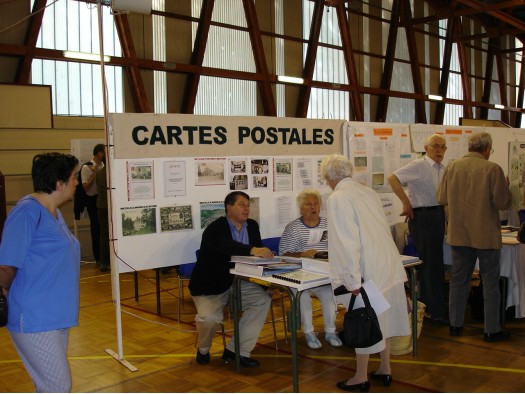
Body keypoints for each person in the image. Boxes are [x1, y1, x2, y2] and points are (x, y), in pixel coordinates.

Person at [320, 154, 409, 392]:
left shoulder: (338, 198)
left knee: (364, 322)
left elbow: (346, 242)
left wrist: (351, 279)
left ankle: (360, 377)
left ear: (329, 177)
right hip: (387, 264)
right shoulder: (368, 192)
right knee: (384, 319)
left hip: (367, 270)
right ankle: (385, 368)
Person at [0, 153, 80, 392]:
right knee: (58, 386)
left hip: (55, 317)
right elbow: (5, 266)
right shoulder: (26, 213)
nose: (77, 182)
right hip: (34, 318)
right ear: (59, 183)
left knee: (48, 386)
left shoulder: (53, 212)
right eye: (74, 177)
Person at [437, 131, 512, 342]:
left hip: (459, 234)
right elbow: (503, 203)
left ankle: (455, 324)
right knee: (490, 283)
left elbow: (441, 197)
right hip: (486, 236)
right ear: (486, 149)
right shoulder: (492, 169)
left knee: (459, 281)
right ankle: (491, 329)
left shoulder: (452, 167)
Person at [188, 191, 273, 367]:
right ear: (229, 207)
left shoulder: (252, 226)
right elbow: (226, 246)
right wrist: (252, 250)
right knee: (209, 319)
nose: (247, 209)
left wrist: (266, 285)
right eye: (242, 204)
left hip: (240, 281)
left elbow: (257, 258)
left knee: (262, 301)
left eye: (248, 205)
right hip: (211, 284)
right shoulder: (215, 228)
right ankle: (203, 349)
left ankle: (236, 351)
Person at [387, 134, 447, 325]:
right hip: (422, 217)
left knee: (436, 264)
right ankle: (432, 311)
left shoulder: (444, 168)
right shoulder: (419, 165)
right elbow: (393, 178)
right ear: (427, 148)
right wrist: (406, 202)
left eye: (442, 147)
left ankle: (433, 307)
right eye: (435, 146)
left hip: (438, 214)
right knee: (430, 265)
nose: (438, 150)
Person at [279, 188, 342, 349]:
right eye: (308, 204)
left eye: (316, 204)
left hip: (322, 273)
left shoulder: (329, 224)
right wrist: (303, 254)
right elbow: (283, 255)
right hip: (299, 275)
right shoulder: (293, 228)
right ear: (301, 208)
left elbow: (340, 245)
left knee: (329, 295)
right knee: (303, 297)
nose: (313, 207)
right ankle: (309, 333)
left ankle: (330, 331)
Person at [81, 144, 105, 264]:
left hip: (103, 198)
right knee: (95, 228)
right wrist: (95, 174)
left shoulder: (104, 165)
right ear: (98, 153)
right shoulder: (86, 167)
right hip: (92, 199)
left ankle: (105, 256)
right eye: (103, 153)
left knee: (104, 228)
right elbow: (85, 187)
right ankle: (98, 257)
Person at [95, 159, 110, 272]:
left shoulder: (99, 172)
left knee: (104, 234)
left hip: (101, 206)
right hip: (110, 207)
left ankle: (104, 262)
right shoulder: (112, 172)